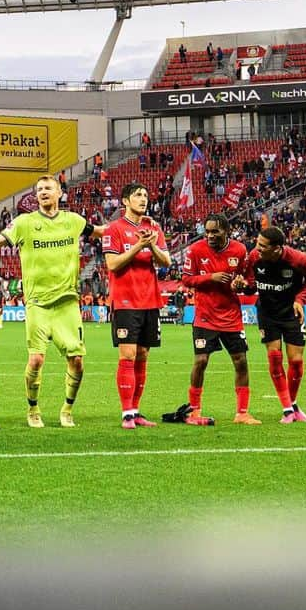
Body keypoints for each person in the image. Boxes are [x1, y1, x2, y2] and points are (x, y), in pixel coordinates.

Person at [0, 175, 102, 428]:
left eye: (48, 188)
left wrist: (135, 227)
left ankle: (67, 409)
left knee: (77, 361)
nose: (43, 192)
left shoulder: (73, 221)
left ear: (59, 192)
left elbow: (100, 232)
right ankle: (33, 409)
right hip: (38, 304)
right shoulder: (24, 223)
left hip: (67, 303)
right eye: (39, 189)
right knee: (36, 360)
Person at [103, 182, 171, 429]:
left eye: (145, 194)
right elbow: (112, 264)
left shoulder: (153, 228)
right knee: (128, 354)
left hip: (150, 299)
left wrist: (151, 244)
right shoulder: (114, 229)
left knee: (143, 354)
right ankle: (126, 413)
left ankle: (136, 409)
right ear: (124, 201)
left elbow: (166, 262)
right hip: (125, 300)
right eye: (137, 195)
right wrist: (138, 247)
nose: (143, 199)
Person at [181, 214, 259, 425]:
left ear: (226, 230)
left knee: (241, 361)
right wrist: (211, 277)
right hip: (205, 316)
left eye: (215, 231)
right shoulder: (196, 250)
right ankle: (194, 410)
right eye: (207, 232)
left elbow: (249, 282)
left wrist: (241, 285)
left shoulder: (240, 250)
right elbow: (186, 279)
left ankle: (242, 412)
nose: (210, 236)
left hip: (231, 316)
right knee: (201, 361)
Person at [240, 224, 306, 424]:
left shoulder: (299, 260)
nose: (258, 248)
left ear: (277, 248)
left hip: (291, 312)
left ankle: (293, 403)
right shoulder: (254, 258)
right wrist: (243, 286)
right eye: (257, 243)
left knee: (296, 361)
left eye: (263, 245)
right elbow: (250, 286)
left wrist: (300, 300)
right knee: (275, 357)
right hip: (267, 312)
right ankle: (287, 409)